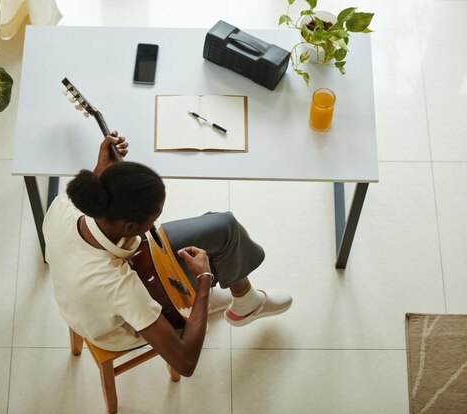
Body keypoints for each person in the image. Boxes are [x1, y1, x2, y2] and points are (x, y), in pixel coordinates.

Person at [43, 132, 292, 377]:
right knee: (207, 266)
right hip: (113, 327)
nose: (158, 220)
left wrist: (102, 169)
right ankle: (200, 299)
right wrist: (203, 279)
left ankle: (244, 301)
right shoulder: (120, 287)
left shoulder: (63, 205)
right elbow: (185, 362)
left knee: (224, 226)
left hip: (90, 280)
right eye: (154, 217)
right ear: (130, 227)